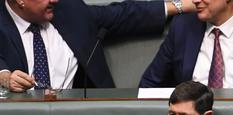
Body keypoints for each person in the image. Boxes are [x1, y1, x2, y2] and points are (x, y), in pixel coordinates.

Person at [0, 0, 193, 92]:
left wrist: (180, 5)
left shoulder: (70, 12)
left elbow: (124, 15)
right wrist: (5, 78)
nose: (54, 0)